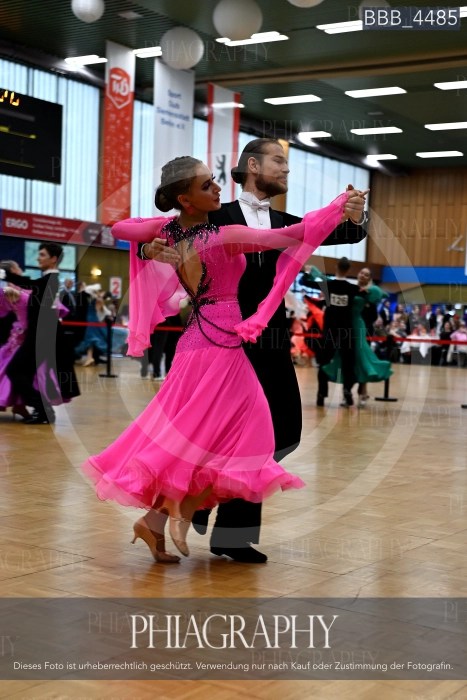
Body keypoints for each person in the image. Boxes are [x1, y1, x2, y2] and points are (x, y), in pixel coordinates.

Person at [82, 155, 356, 563]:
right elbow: (292, 235)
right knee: (247, 434)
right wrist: (335, 208)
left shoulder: (167, 229)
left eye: (214, 180)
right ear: (185, 199)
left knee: (204, 436)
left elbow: (121, 228)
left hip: (197, 342)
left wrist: (149, 246)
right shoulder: (224, 236)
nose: (217, 188)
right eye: (207, 184)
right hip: (221, 344)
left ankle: (160, 519)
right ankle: (179, 512)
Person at [4, 242, 80, 424]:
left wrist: (4, 274)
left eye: (42, 255)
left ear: (53, 259)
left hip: (42, 336)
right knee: (23, 372)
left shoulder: (51, 280)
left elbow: (30, 284)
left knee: (15, 370)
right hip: (41, 335)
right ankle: (41, 410)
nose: (38, 258)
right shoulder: (48, 280)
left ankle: (42, 408)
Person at [321, 267, 392, 407]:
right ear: (358, 274)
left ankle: (362, 391)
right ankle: (346, 393)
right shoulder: (350, 287)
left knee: (361, 357)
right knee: (344, 358)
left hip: (358, 326)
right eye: (361, 273)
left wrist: (368, 303)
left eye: (367, 274)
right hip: (344, 326)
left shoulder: (370, 291)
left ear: (369, 278)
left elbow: (374, 311)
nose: (363, 275)